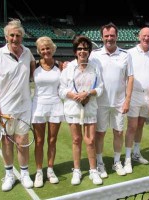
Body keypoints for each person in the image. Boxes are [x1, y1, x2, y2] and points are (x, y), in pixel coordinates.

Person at [0, 19, 35, 191]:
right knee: (7, 141)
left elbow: (36, 69)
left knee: (22, 141)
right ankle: (9, 174)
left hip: (24, 107)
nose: (15, 38)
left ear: (22, 37)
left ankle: (25, 173)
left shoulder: (27, 52)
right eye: (12, 35)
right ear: (6, 37)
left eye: (18, 35)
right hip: (5, 108)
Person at [89, 23, 134, 177]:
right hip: (100, 102)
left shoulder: (125, 54)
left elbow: (130, 77)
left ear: (117, 36)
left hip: (120, 102)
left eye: (112, 35)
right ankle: (100, 163)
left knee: (119, 132)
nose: (109, 38)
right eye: (106, 36)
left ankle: (116, 162)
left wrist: (128, 100)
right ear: (102, 37)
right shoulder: (94, 55)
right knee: (100, 134)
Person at [59, 35, 104, 185]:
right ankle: (77, 170)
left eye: (85, 48)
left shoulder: (96, 67)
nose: (82, 51)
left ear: (89, 51)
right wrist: (74, 95)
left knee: (90, 141)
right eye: (79, 48)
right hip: (73, 108)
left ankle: (93, 170)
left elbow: (100, 88)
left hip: (90, 107)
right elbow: (61, 90)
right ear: (75, 51)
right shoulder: (68, 68)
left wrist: (88, 94)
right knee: (76, 140)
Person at [124, 27, 149, 173]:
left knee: (140, 125)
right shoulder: (129, 53)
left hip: (148, 95)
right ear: (139, 37)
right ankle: (127, 158)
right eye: (144, 35)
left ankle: (136, 153)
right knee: (132, 126)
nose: (146, 38)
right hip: (133, 95)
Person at [32, 36, 65, 187]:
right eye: (43, 49)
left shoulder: (61, 65)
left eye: (48, 48)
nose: (46, 51)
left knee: (52, 140)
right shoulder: (34, 65)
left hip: (56, 105)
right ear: (39, 51)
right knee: (39, 141)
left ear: (53, 49)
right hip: (38, 106)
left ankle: (50, 170)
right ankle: (39, 172)